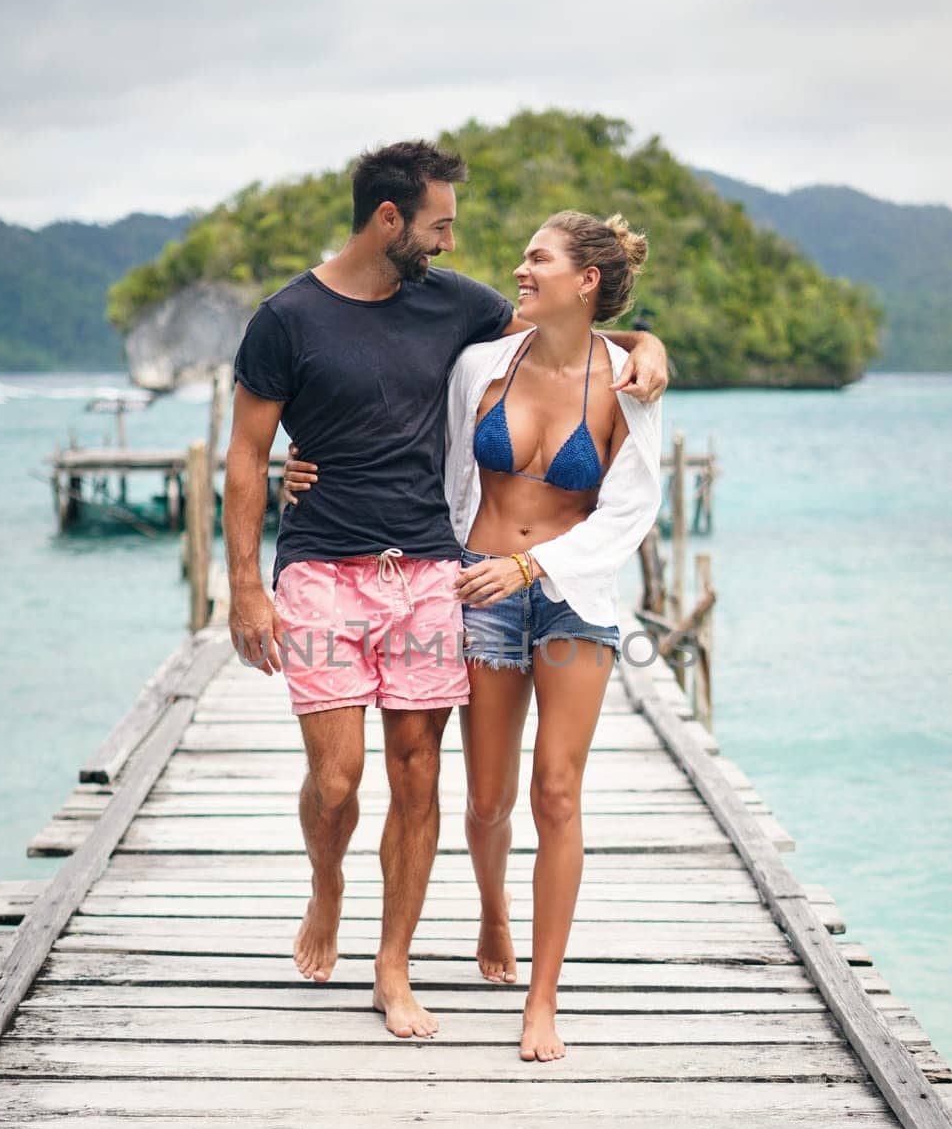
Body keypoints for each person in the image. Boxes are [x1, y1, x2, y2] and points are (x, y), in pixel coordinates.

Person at [227, 140, 668, 1042]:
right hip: (384, 573)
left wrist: (646, 343)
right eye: (440, 225)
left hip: (491, 581)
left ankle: (419, 972)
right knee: (369, 783)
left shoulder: (470, 313)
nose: (454, 244)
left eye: (454, 229)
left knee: (473, 781)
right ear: (389, 220)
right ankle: (345, 888)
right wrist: (258, 552)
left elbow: (575, 351)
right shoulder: (302, 322)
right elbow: (261, 449)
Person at [444, 212, 662, 1060]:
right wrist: (308, 473)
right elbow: (418, 450)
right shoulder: (478, 366)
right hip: (480, 590)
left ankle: (542, 996)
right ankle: (493, 908)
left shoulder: (629, 384)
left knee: (557, 793)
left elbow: (631, 508)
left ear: (587, 281)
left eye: (537, 259)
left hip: (573, 601)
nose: (519, 269)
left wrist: (533, 570)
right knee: (488, 798)